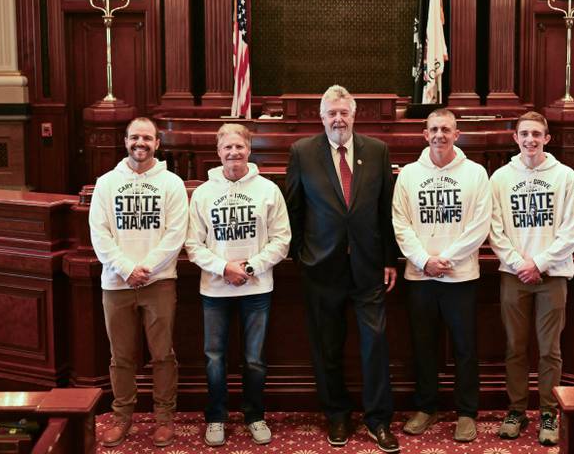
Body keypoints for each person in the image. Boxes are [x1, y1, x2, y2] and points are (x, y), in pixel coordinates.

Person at [285, 85, 400, 453]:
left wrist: (389, 259)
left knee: (375, 344)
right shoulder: (302, 152)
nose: (338, 119)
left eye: (344, 113)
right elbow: (294, 209)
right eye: (331, 113)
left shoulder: (377, 151)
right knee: (327, 346)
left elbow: (386, 210)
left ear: (354, 116)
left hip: (369, 267)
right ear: (322, 118)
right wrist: (300, 255)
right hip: (322, 267)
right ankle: (337, 413)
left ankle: (378, 419)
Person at [185, 123, 291, 448]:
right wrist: (223, 268)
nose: (234, 153)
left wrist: (248, 267)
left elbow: (282, 239)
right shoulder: (203, 193)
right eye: (227, 148)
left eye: (239, 147)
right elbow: (193, 244)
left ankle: (254, 415)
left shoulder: (268, 190)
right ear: (218, 152)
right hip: (215, 290)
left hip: (257, 289)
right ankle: (216, 417)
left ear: (249, 149)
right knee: (214, 357)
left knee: (254, 358)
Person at [392, 108, 491, 443]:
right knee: (423, 346)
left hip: (460, 276)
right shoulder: (408, 174)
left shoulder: (476, 173)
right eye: (433, 129)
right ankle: (426, 407)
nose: (439, 135)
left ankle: (467, 412)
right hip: (420, 277)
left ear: (456, 134)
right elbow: (400, 223)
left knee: (465, 347)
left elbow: (480, 225)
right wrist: (423, 260)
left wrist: (444, 259)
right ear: (425, 134)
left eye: (446, 129)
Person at [89, 117, 188, 448]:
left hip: (159, 283)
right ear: (125, 141)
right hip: (116, 284)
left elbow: (176, 235)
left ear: (157, 143)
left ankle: (164, 419)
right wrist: (125, 268)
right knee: (121, 357)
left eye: (147, 138)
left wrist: (144, 268)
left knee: (162, 355)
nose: (140, 143)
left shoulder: (172, 184)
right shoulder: (105, 183)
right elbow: (99, 233)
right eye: (134, 137)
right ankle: (122, 418)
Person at [489, 111, 574, 446]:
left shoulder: (565, 176)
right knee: (515, 347)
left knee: (549, 350)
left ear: (547, 138)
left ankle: (547, 413)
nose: (530, 140)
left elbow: (572, 231)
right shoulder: (500, 178)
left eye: (536, 134)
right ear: (515, 138)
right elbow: (495, 229)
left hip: (552, 274)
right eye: (524, 134)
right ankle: (516, 410)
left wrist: (539, 263)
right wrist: (518, 264)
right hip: (514, 275)